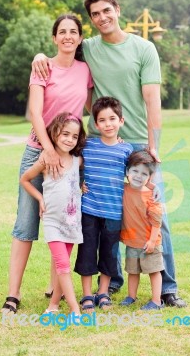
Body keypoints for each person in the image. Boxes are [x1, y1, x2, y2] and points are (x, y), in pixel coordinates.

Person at [32, 0, 187, 307]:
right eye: (95, 14)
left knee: (154, 211)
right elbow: (61, 52)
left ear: (117, 9)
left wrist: (153, 145)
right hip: (101, 144)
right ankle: (112, 279)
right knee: (102, 212)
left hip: (138, 144)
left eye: (106, 10)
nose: (102, 18)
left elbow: (152, 99)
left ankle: (168, 286)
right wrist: (38, 58)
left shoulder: (144, 48)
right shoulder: (88, 48)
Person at [1, 14, 93, 314]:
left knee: (64, 221)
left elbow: (91, 106)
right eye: (62, 32)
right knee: (26, 222)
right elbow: (36, 114)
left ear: (80, 38)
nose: (68, 36)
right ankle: (13, 294)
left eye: (73, 32)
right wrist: (48, 150)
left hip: (68, 158)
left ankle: (56, 290)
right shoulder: (42, 66)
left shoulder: (85, 70)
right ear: (54, 38)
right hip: (38, 152)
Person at [20, 112, 86, 315]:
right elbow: (24, 179)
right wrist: (40, 198)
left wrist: (81, 187)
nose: (69, 139)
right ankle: (75, 309)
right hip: (52, 221)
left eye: (74, 136)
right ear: (54, 133)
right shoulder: (45, 161)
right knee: (62, 264)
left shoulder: (78, 161)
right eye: (65, 134)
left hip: (72, 221)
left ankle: (54, 305)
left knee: (62, 267)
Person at [74, 97, 133, 311]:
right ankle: (87, 294)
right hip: (89, 209)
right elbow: (72, 165)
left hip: (114, 212)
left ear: (121, 121)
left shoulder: (126, 150)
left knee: (109, 252)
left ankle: (103, 292)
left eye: (112, 119)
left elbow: (135, 176)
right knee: (87, 250)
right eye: (102, 120)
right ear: (96, 124)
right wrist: (79, 184)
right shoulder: (88, 145)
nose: (108, 124)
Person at [120, 149, 164, 310]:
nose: (138, 176)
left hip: (149, 241)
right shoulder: (123, 189)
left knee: (154, 270)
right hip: (132, 240)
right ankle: (131, 296)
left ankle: (156, 301)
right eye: (135, 171)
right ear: (127, 172)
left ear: (149, 177)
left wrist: (152, 241)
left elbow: (157, 221)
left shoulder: (151, 196)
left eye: (144, 174)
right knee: (133, 270)